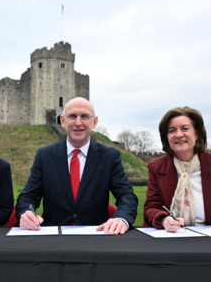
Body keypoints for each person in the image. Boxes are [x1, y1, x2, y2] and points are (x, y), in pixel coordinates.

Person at [15, 97, 138, 235]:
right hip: (54, 239)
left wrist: (121, 219)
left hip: (96, 237)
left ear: (94, 122)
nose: (78, 123)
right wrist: (26, 213)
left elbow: (126, 195)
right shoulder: (45, 155)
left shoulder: (109, 156)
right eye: (72, 116)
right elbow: (28, 196)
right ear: (62, 121)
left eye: (84, 116)